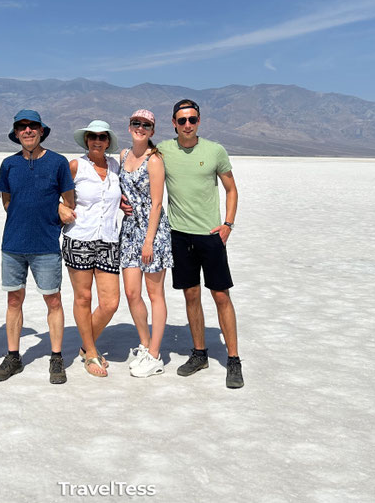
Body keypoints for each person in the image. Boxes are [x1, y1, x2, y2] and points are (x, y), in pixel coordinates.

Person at [158, 98, 244, 389]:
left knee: (221, 296)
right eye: (181, 120)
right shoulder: (164, 151)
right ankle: (199, 353)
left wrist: (228, 225)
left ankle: (233, 359)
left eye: (192, 120)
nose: (187, 125)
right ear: (173, 123)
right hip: (179, 235)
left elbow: (231, 190)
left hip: (210, 235)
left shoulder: (214, 151)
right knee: (191, 295)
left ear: (199, 122)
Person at [0, 109, 75, 384]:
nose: (27, 131)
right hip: (13, 245)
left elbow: (69, 201)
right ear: (16, 133)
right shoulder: (8, 165)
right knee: (14, 300)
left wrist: (58, 212)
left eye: (32, 126)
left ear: (41, 131)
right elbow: (7, 202)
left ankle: (56, 357)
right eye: (22, 127)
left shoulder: (58, 162)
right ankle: (13, 357)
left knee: (53, 299)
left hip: (46, 245)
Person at [60, 120, 122, 377]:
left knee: (110, 302)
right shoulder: (76, 166)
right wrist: (59, 207)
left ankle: (87, 345)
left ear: (108, 142)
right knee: (83, 298)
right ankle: (92, 355)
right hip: (80, 238)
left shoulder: (116, 166)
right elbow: (53, 193)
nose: (97, 141)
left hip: (108, 239)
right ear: (86, 141)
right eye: (92, 137)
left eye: (102, 137)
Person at [119, 109, 173, 378]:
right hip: (129, 231)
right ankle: (144, 342)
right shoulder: (122, 156)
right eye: (136, 123)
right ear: (129, 126)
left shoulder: (154, 160)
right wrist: (120, 201)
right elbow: (122, 190)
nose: (140, 128)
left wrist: (149, 241)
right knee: (131, 292)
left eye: (146, 125)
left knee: (155, 294)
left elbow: (157, 203)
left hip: (153, 233)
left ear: (152, 131)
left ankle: (154, 353)